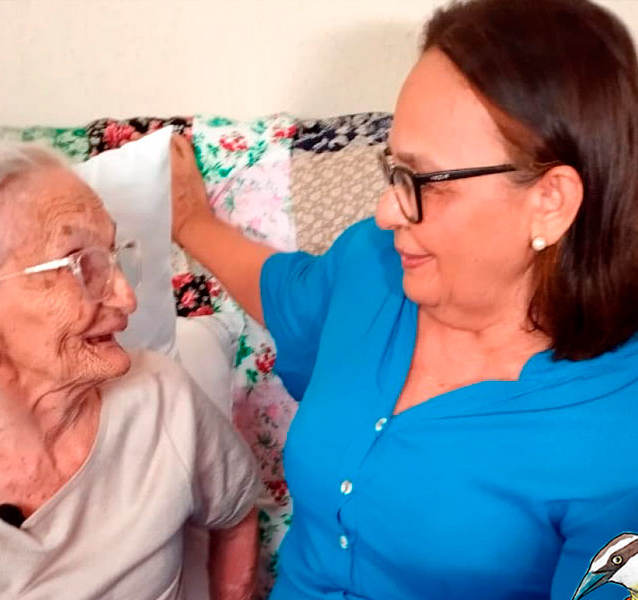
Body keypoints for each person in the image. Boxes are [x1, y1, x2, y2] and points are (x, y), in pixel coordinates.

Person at [169, 0, 638, 598]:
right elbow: (285, 293)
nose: (387, 211)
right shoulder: (374, 264)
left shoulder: (619, 438)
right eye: (393, 169)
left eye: (424, 182)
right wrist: (191, 225)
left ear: (550, 200)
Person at [0, 141, 260, 599]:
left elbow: (236, 515)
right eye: (82, 265)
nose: (125, 297)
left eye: (115, 257)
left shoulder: (162, 400)